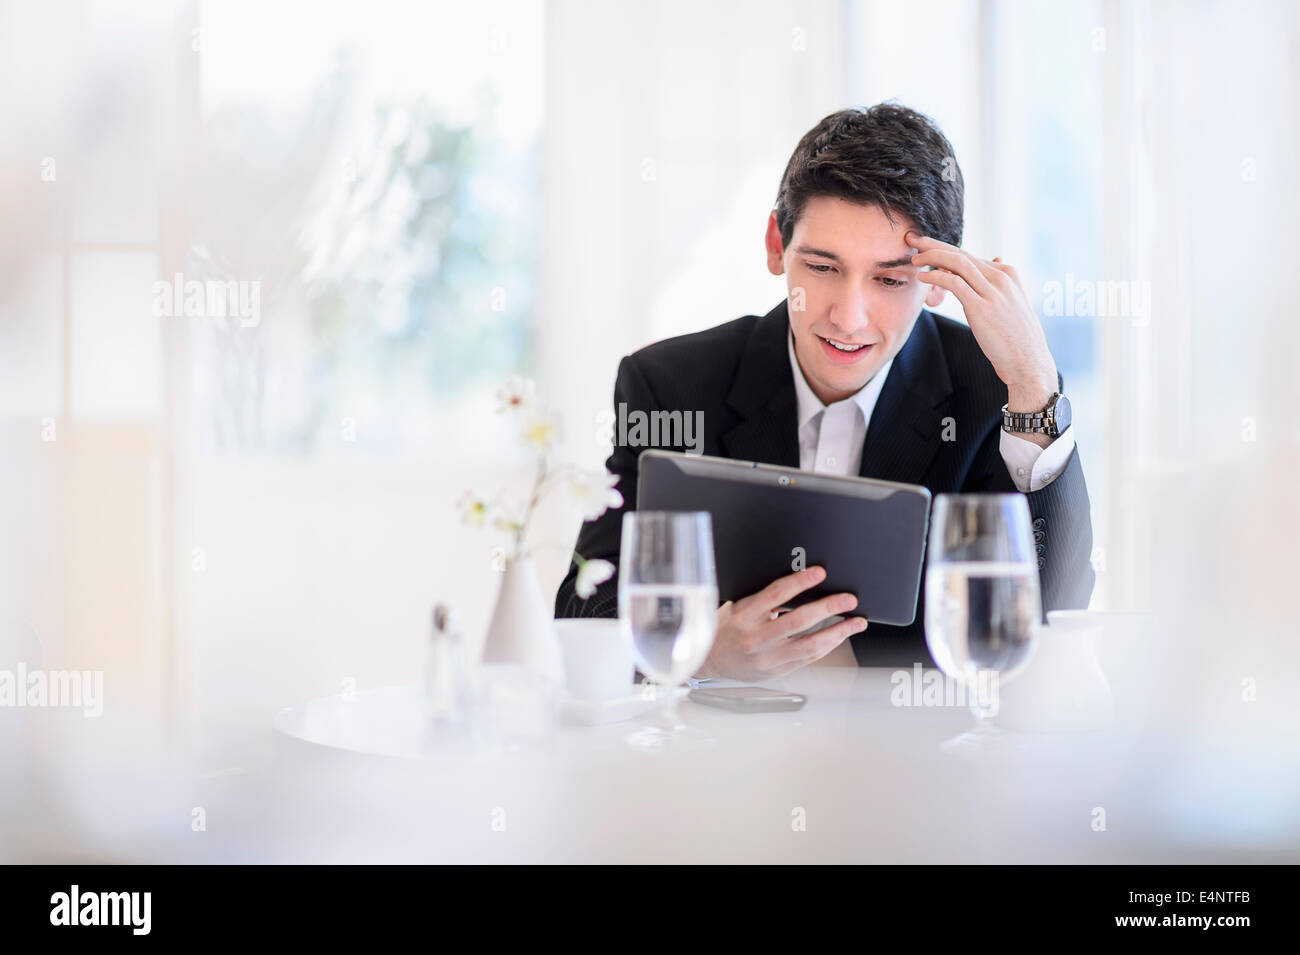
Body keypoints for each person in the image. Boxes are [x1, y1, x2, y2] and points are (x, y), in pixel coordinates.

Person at [554, 103, 1094, 679]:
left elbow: (1053, 618)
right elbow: (586, 611)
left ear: (941, 281)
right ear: (775, 245)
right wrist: (703, 652)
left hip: (915, 754)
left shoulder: (999, 392)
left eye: (889, 279)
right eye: (822, 267)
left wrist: (1035, 389)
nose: (848, 317)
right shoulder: (668, 386)